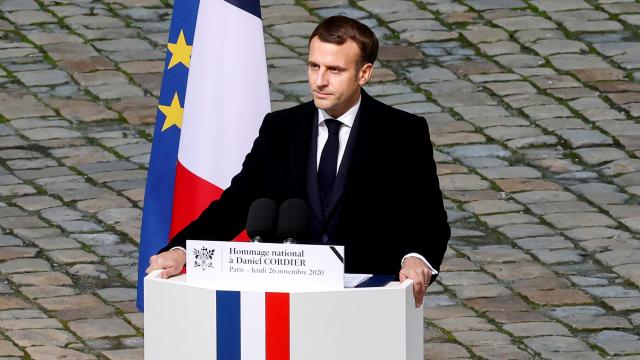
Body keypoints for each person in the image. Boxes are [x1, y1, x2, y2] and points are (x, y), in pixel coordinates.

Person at [146, 16, 450, 307]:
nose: (319, 81)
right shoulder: (281, 128)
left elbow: (429, 219)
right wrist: (181, 250)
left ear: (364, 73)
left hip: (370, 300)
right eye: (313, 66)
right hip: (290, 299)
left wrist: (416, 259)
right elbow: (236, 203)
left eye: (334, 70)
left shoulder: (402, 132)